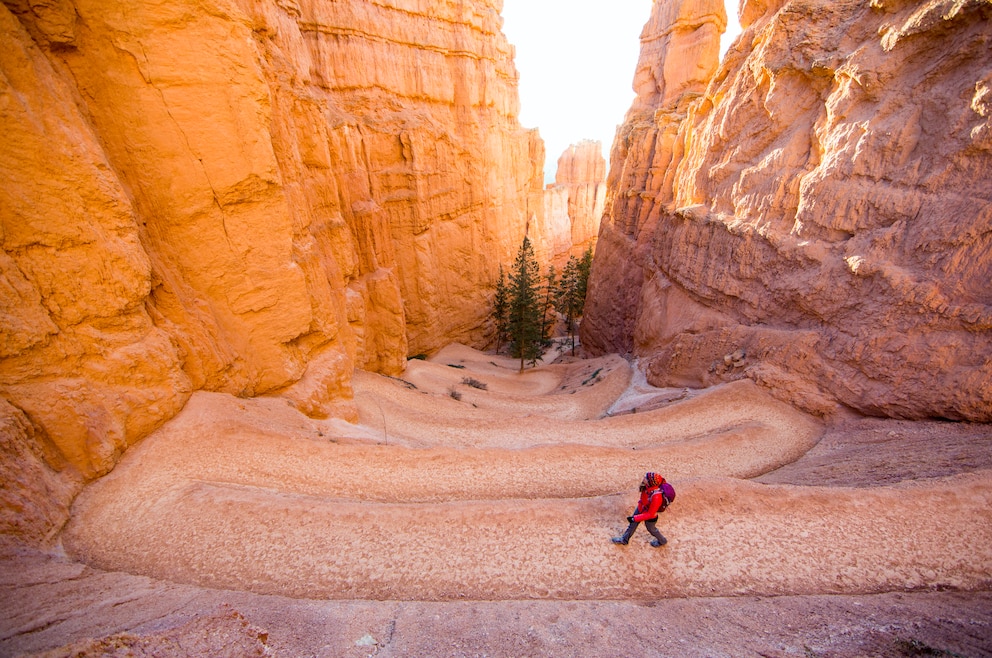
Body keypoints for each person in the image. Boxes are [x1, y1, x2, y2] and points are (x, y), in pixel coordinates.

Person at [612, 472, 670, 547]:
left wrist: (635, 518)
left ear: (650, 482)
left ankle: (662, 541)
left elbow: (650, 514)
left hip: (650, 517)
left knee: (652, 529)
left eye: (646, 478)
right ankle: (624, 539)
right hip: (640, 508)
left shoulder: (656, 497)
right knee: (632, 526)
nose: (644, 477)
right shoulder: (647, 487)